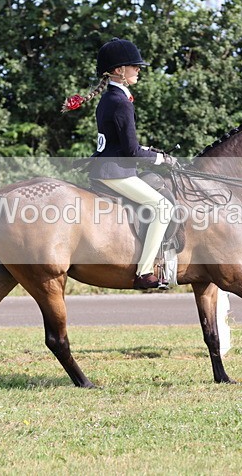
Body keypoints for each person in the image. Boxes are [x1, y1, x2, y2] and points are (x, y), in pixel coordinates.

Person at [62, 38, 176, 289]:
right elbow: (130, 151)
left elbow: (122, 143)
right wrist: (161, 159)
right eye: (133, 66)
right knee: (163, 206)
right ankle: (145, 272)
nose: (138, 70)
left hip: (107, 167)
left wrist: (150, 151)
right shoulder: (120, 102)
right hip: (116, 173)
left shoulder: (109, 99)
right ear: (118, 71)